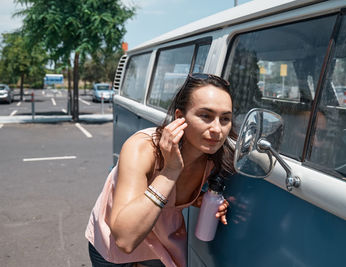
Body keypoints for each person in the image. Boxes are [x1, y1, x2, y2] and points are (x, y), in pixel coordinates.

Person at [85, 73, 237, 267]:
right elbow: (125, 239)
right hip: (112, 246)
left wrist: (202, 199)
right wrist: (170, 171)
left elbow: (172, 200)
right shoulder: (143, 148)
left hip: (161, 245)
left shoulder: (215, 159)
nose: (217, 129)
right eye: (205, 116)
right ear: (180, 117)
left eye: (225, 119)